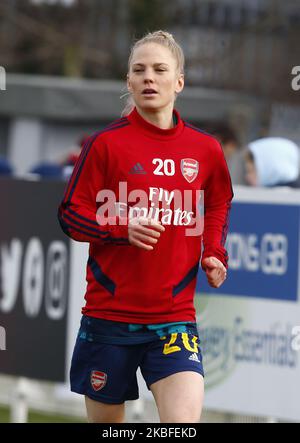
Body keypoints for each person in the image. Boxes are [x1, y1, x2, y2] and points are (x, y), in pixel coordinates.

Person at [58, 30, 233, 423]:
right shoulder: (104, 144)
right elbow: (70, 214)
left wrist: (214, 252)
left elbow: (219, 199)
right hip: (108, 319)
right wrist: (121, 227)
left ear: (179, 82)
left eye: (159, 70)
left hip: (174, 318)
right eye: (139, 70)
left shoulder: (206, 149)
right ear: (129, 82)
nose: (148, 78)